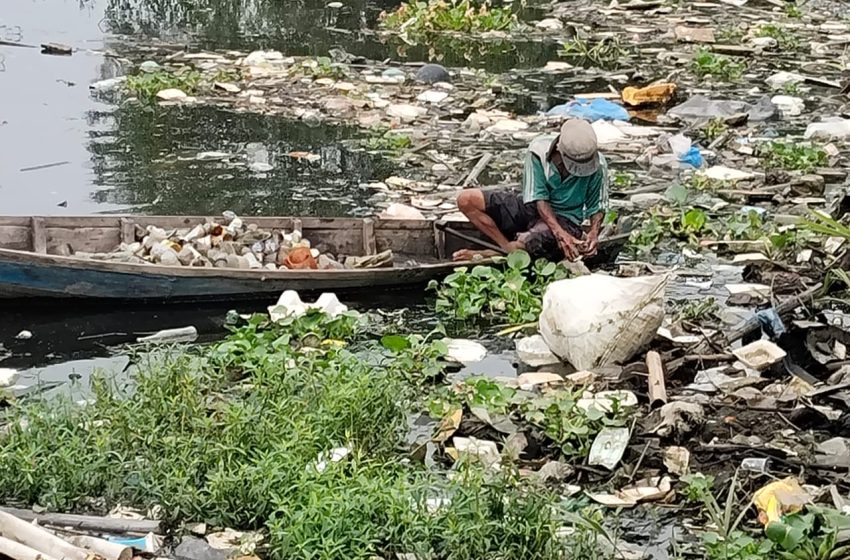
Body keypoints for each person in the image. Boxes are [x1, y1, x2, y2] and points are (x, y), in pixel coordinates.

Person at [453, 119, 609, 262]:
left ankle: (494, 253)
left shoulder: (598, 165)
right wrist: (560, 235)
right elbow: (539, 199)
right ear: (560, 151)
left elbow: (597, 205)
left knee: (531, 242)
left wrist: (593, 233)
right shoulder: (538, 151)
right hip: (531, 206)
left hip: (567, 219)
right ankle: (506, 248)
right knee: (466, 200)